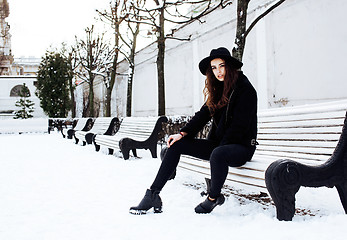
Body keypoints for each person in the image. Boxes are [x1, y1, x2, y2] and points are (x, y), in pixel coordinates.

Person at [129, 47, 258, 214]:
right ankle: (153, 194)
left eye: (221, 66)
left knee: (218, 154)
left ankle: (213, 197)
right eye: (213, 68)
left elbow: (239, 127)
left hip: (241, 147)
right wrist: (182, 133)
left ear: (230, 66)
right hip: (220, 146)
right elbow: (203, 115)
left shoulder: (245, 90)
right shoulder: (219, 89)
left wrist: (218, 147)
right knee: (176, 145)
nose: (218, 71)